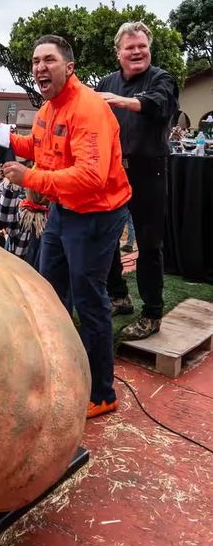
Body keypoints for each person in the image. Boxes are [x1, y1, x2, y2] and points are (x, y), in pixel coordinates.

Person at [0, 35, 132, 420]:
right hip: (65, 210)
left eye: (48, 60)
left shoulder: (89, 109)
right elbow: (40, 146)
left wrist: (29, 178)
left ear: (69, 67)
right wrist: (6, 141)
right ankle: (62, 367)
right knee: (49, 291)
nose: (39, 67)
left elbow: (91, 177)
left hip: (97, 214)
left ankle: (102, 392)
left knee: (89, 299)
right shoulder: (48, 109)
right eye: (35, 61)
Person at [97, 22, 179, 340]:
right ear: (118, 53)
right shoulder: (107, 82)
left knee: (149, 244)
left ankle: (152, 313)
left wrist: (120, 100)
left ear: (149, 49)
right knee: (107, 237)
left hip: (150, 172)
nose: (136, 51)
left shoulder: (161, 78)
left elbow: (159, 106)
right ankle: (119, 296)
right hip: (115, 172)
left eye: (142, 46)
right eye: (130, 47)